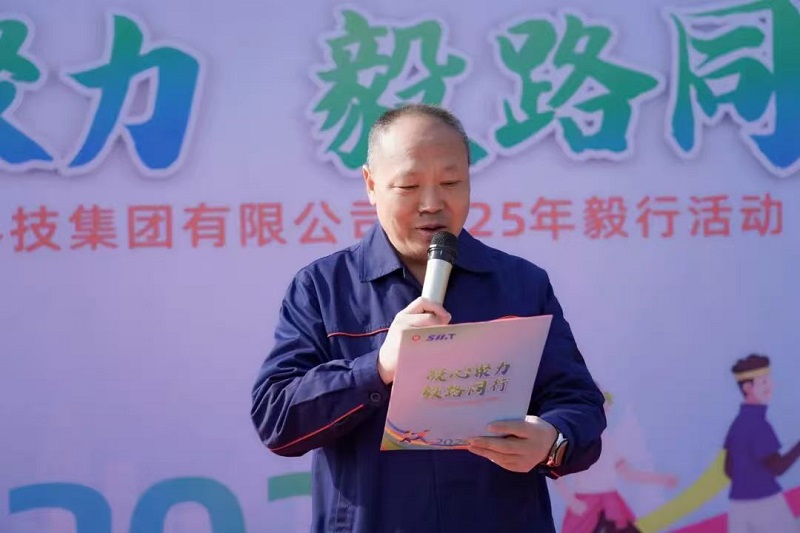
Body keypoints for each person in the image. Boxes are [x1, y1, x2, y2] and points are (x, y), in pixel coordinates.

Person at [250, 103, 606, 532]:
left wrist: (552, 439)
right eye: (409, 185)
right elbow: (276, 419)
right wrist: (378, 368)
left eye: (451, 182)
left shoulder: (521, 285)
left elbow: (579, 404)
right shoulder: (323, 287)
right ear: (371, 184)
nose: (433, 204)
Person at [555, 389, 678, 533]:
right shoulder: (574, 439)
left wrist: (662, 479)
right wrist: (572, 502)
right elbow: (557, 473)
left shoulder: (607, 440)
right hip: (586, 505)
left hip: (611, 505)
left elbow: (628, 473)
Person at [723, 353, 800, 533]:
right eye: (764, 382)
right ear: (748, 387)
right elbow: (777, 468)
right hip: (766, 504)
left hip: (738, 507)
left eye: (768, 380)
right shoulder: (758, 424)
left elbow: (728, 469)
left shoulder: (737, 424)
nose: (770, 386)